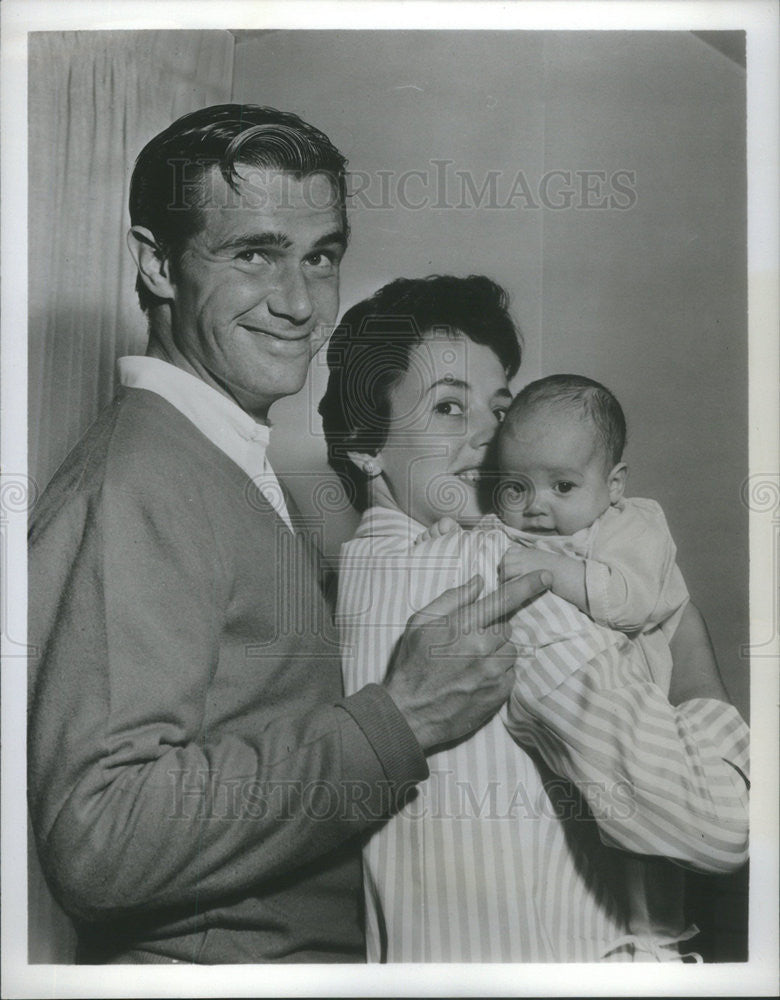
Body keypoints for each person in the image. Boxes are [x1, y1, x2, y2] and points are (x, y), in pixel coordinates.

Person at [26, 105, 550, 964]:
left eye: (322, 256)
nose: (302, 302)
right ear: (156, 262)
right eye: (255, 253)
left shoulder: (217, 460)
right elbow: (101, 836)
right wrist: (400, 719)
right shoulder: (140, 482)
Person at [320, 275, 750, 962]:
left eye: (497, 410)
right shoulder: (505, 571)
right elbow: (719, 822)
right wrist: (689, 651)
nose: (493, 440)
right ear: (366, 444)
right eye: (449, 408)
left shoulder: (341, 592)